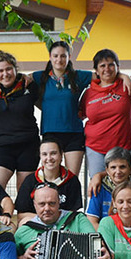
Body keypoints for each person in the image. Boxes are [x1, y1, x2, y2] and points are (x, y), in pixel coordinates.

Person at [33, 40, 91, 176]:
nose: (59, 60)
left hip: (74, 132)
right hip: (50, 132)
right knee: (51, 176)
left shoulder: (78, 76)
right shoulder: (40, 77)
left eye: (63, 56)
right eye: (55, 56)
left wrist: (124, 77)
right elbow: (19, 79)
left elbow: (104, 75)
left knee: (71, 177)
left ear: (69, 57)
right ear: (50, 57)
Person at [0, 50, 40, 189]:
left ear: (16, 69)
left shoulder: (28, 85)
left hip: (28, 145)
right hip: (2, 146)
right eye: (0, 71)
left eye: (9, 69)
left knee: (24, 192)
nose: (5, 74)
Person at [81, 48, 131, 177]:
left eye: (111, 64)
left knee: (123, 185)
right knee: (98, 184)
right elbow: (81, 115)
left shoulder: (127, 84)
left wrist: (125, 76)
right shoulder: (88, 92)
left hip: (123, 146)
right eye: (102, 66)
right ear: (96, 70)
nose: (107, 69)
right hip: (95, 148)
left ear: (117, 67)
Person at [14, 138, 83, 218]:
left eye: (53, 153)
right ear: (40, 156)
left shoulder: (71, 180)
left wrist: (54, 220)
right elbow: (21, 215)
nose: (49, 158)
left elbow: (72, 214)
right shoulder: (30, 181)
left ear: (61, 155)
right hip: (36, 222)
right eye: (44, 154)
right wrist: (44, 219)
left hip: (62, 223)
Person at [85, 146, 131, 228]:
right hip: (104, 233)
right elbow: (91, 221)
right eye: (113, 167)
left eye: (122, 167)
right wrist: (105, 235)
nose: (118, 171)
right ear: (107, 170)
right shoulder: (99, 188)